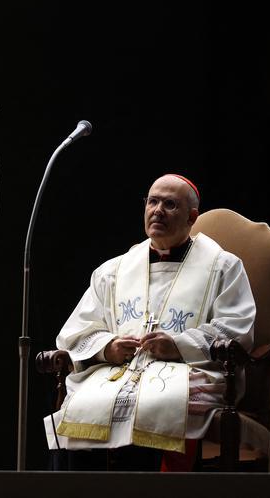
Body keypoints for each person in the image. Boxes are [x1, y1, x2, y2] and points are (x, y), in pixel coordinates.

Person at [45, 174, 256, 471]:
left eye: (170, 204)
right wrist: (109, 348)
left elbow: (236, 329)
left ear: (191, 217)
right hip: (118, 373)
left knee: (153, 404)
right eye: (152, 201)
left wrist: (179, 346)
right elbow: (76, 332)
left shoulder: (222, 267)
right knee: (78, 406)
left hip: (189, 372)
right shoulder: (113, 271)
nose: (157, 210)